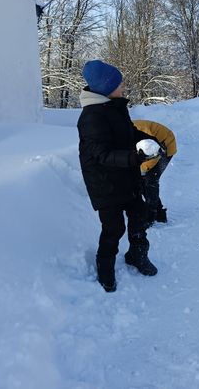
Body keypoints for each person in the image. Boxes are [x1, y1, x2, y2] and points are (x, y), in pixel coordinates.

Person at [77, 59, 159, 292]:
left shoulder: (115, 106)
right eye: (118, 83)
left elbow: (129, 132)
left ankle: (137, 255)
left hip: (126, 177)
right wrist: (135, 157)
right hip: (104, 184)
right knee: (113, 228)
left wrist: (148, 140)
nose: (123, 86)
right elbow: (101, 155)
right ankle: (105, 269)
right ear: (105, 87)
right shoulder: (91, 117)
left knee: (139, 217)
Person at [132, 120, 177, 225]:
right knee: (143, 180)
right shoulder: (122, 132)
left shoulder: (140, 132)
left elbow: (153, 152)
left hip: (165, 145)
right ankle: (159, 214)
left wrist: (142, 170)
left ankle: (150, 217)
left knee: (150, 180)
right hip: (152, 146)